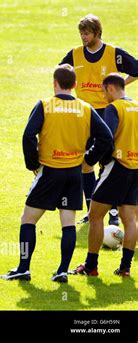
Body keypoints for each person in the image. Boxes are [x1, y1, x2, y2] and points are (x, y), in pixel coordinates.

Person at [1, 64, 112, 283]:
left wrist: (32, 163)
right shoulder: (85, 108)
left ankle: (24, 267)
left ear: (54, 83)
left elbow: (28, 136)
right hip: (73, 174)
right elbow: (106, 138)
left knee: (28, 220)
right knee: (68, 222)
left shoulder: (45, 105)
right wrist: (88, 159)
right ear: (75, 85)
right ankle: (62, 270)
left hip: (49, 171)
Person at [59, 14, 138, 225]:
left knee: (109, 161)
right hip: (83, 113)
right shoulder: (75, 55)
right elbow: (60, 74)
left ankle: (113, 212)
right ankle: (91, 208)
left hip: (107, 113)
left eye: (87, 33)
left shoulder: (113, 53)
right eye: (81, 33)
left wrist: (119, 86)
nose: (83, 37)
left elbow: (136, 69)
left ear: (97, 33)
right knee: (85, 162)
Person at [71, 73, 137, 277]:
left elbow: (106, 138)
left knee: (95, 215)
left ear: (110, 88)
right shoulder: (136, 107)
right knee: (130, 220)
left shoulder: (113, 108)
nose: (102, 95)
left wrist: (89, 160)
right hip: (136, 168)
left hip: (116, 167)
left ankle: (91, 266)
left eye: (103, 90)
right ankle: (125, 268)